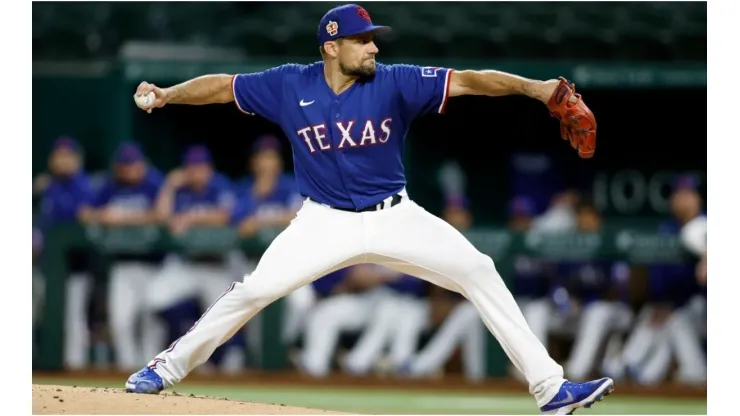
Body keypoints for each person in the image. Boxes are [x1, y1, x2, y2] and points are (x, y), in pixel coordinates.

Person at [126, 4, 609, 414]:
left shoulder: (395, 82)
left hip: (395, 216)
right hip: (323, 220)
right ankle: (162, 368)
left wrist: (539, 89)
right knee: (254, 291)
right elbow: (222, 87)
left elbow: (469, 81)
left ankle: (551, 389)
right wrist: (169, 94)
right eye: (362, 41)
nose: (373, 48)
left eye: (373, 40)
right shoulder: (289, 84)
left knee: (479, 269)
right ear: (332, 47)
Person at [80, 142, 167, 371]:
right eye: (125, 165)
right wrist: (101, 214)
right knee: (120, 322)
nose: (129, 170)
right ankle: (128, 370)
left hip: (153, 265)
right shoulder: (110, 185)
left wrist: (123, 216)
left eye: (134, 165)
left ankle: (154, 371)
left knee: (150, 321)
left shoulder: (154, 182)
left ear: (142, 165)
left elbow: (163, 215)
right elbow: (85, 212)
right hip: (122, 264)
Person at [35, 136, 96, 370]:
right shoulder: (45, 186)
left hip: (75, 267)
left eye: (67, 156)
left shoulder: (84, 185)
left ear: (77, 160)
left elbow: (86, 217)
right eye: (58, 155)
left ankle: (76, 370)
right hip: (44, 266)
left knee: (73, 318)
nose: (62, 161)